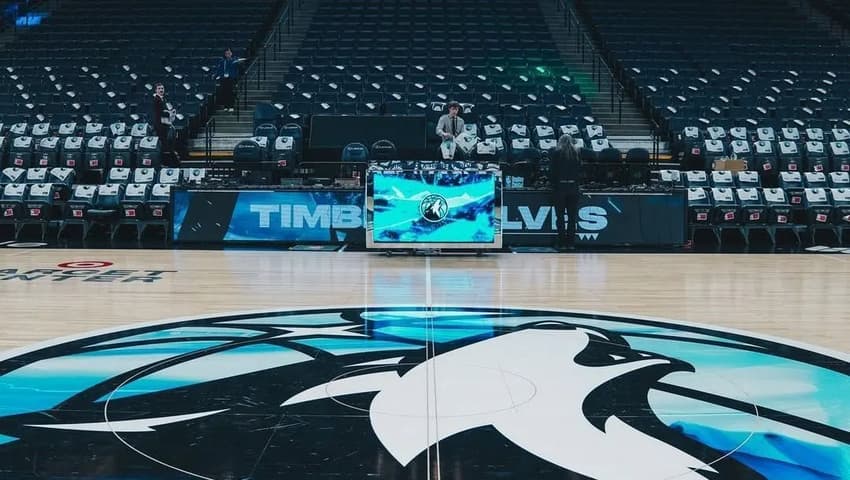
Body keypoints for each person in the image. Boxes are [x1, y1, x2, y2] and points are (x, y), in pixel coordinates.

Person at [550, 134, 583, 250]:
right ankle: (571, 243)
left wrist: (553, 184)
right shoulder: (577, 153)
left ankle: (562, 243)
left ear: (560, 141)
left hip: (560, 188)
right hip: (573, 188)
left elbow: (552, 171)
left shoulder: (556, 153)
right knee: (572, 217)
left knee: (560, 217)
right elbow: (580, 170)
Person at [152, 83, 178, 166]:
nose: (161, 90)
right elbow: (160, 112)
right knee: (163, 144)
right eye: (159, 88)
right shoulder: (156, 99)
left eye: (162, 88)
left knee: (167, 144)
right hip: (160, 125)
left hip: (165, 124)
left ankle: (168, 162)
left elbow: (165, 110)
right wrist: (169, 113)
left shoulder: (164, 99)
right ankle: (164, 162)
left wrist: (170, 112)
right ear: (156, 90)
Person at [215, 48, 245, 112]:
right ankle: (226, 106)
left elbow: (239, 68)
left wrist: (240, 63)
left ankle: (231, 106)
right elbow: (219, 70)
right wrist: (218, 75)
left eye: (229, 53)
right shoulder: (222, 61)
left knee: (231, 92)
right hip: (224, 78)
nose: (227, 54)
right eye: (226, 53)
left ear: (231, 53)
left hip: (231, 78)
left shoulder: (235, 61)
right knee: (224, 92)